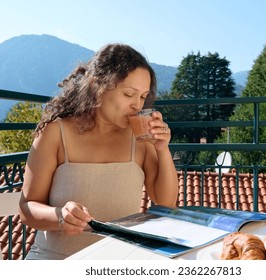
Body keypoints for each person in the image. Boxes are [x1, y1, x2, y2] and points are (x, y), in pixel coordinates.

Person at [19, 43, 179, 260]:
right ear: (96, 85)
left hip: (117, 261)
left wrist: (162, 149)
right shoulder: (56, 132)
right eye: (129, 94)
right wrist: (59, 216)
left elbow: (165, 202)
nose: (136, 105)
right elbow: (27, 208)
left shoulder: (139, 138)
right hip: (55, 260)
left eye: (142, 97)